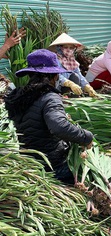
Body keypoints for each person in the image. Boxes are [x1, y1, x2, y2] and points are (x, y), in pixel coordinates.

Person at [4, 49, 94, 185]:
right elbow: (59, 127)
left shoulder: (21, 97)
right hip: (53, 166)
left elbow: (38, 122)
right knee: (90, 171)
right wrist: (86, 137)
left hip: (30, 162)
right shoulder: (49, 97)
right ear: (54, 76)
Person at [48, 33, 96, 97]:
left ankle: (72, 98)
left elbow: (79, 75)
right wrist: (69, 83)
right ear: (59, 48)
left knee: (76, 76)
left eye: (71, 48)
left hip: (67, 88)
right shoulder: (55, 59)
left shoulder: (72, 61)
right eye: (65, 47)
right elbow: (56, 76)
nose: (69, 50)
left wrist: (87, 86)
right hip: (56, 87)